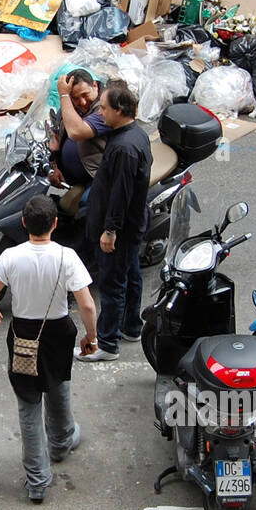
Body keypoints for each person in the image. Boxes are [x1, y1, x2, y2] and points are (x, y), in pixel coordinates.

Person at [0, 195, 97, 503]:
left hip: (23, 337)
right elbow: (86, 304)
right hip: (58, 334)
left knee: (28, 407)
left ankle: (37, 482)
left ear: (23, 224)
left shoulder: (10, 257)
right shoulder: (67, 257)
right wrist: (90, 338)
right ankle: (61, 443)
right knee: (58, 386)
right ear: (55, 223)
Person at [78, 80, 153, 363]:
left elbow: (120, 194)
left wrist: (109, 231)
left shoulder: (123, 147)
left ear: (120, 110)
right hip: (132, 227)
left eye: (105, 108)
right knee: (131, 276)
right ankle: (131, 327)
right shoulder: (135, 135)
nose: (100, 114)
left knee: (112, 285)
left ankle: (107, 344)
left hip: (119, 230)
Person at [47, 70, 109, 215]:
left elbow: (76, 132)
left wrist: (64, 96)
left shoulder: (105, 109)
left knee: (86, 208)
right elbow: (53, 131)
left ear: (95, 86)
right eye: (75, 97)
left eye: (85, 95)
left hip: (98, 175)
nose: (82, 102)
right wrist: (53, 166)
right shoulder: (69, 105)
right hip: (72, 176)